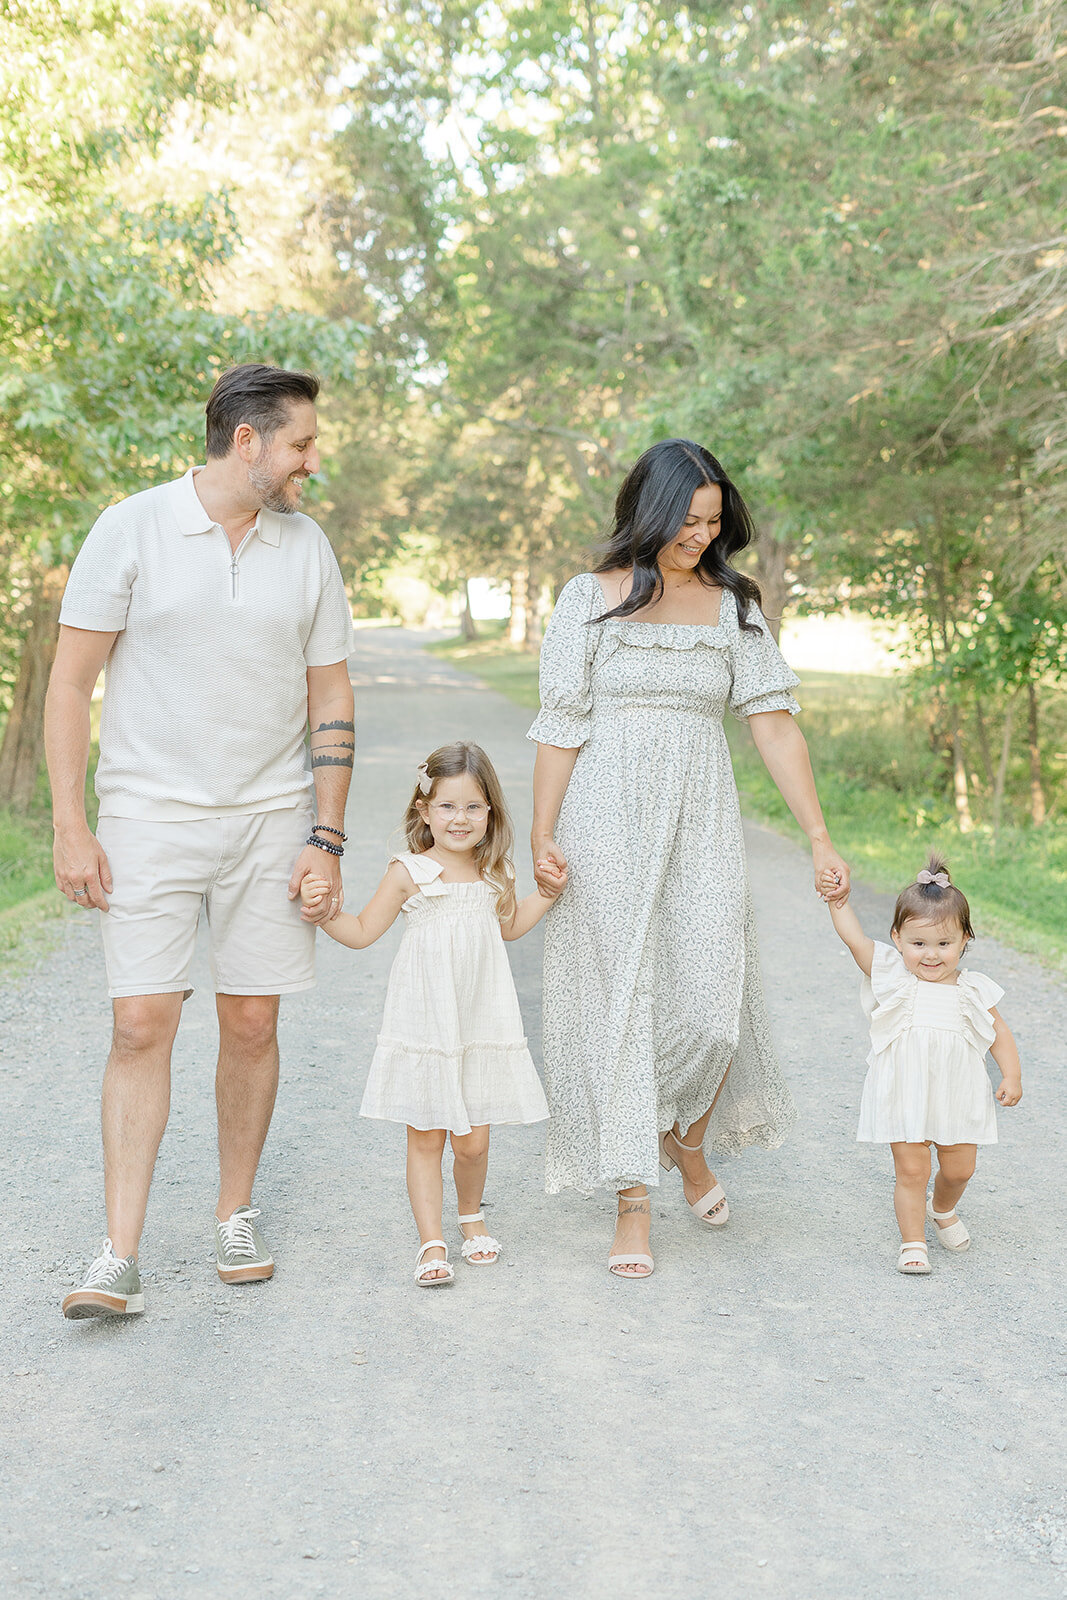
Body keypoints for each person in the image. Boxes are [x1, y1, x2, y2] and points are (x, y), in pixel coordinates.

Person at [47, 362, 355, 1321]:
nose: (314, 461)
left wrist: (327, 837)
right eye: (302, 443)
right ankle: (119, 1253)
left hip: (269, 822)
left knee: (252, 1023)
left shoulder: (307, 550)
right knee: (140, 1022)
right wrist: (71, 821)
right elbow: (70, 684)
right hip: (148, 819)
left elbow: (332, 697)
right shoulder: (131, 527)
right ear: (249, 441)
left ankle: (234, 1212)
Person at [527, 437, 850, 1279]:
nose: (699, 536)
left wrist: (816, 833)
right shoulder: (586, 600)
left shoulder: (733, 605)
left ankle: (681, 1140)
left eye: (712, 522)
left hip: (701, 818)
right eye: (685, 520)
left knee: (712, 1007)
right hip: (604, 820)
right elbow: (561, 725)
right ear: (648, 510)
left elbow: (773, 725)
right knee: (624, 1002)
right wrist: (540, 833)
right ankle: (635, 1201)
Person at [301, 741, 565, 1286]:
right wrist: (324, 912)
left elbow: (510, 927)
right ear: (424, 810)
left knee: (473, 1139)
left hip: (479, 1020)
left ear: (490, 812)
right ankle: (432, 1239)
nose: (460, 819)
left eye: (473, 807)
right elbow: (361, 931)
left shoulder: (497, 874)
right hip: (425, 1020)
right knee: (426, 1135)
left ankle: (471, 1216)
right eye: (447, 806)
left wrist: (548, 893)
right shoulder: (409, 871)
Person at [821, 853, 1022, 1274]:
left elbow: (999, 1033)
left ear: (966, 939)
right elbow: (855, 941)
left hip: (958, 1095)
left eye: (944, 944)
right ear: (897, 938)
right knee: (912, 1170)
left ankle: (942, 1208)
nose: (931, 955)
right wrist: (838, 903)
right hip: (906, 1093)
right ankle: (912, 1242)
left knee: (960, 1168)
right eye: (919, 944)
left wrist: (1011, 1074)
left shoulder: (974, 989)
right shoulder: (894, 977)